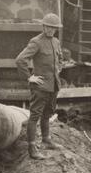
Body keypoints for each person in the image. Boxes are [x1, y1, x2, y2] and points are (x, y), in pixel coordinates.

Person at [15, 13, 63, 160]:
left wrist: (58, 70)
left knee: (47, 113)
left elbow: (60, 58)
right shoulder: (36, 42)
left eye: (53, 28)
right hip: (40, 87)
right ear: (43, 26)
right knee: (34, 115)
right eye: (48, 27)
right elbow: (20, 60)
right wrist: (30, 78)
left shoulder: (55, 41)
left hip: (53, 85)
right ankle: (32, 147)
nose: (50, 30)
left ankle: (46, 139)